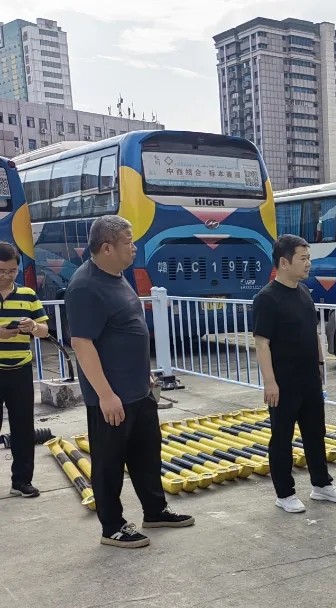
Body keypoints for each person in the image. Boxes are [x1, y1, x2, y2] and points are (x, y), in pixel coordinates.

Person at [65, 216, 194, 548]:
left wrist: (144, 372)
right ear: (107, 248)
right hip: (112, 397)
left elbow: (127, 326)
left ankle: (155, 510)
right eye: (128, 241)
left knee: (146, 454)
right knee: (109, 464)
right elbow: (82, 344)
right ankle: (113, 526)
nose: (134, 247)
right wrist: (106, 395)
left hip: (138, 389)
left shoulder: (118, 276)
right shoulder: (85, 287)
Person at [253, 234, 336, 513]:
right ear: (284, 262)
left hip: (309, 378)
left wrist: (320, 365)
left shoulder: (304, 292)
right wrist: (270, 382)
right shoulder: (267, 299)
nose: (308, 264)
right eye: (303, 258)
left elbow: (312, 332)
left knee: (315, 432)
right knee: (282, 437)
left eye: (309, 258)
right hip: (283, 382)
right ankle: (284, 493)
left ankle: (321, 484)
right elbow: (261, 343)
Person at [0, 243, 49, 498]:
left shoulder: (28, 295)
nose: (6, 276)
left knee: (23, 428)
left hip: (20, 370)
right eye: (1, 271)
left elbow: (44, 331)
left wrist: (33, 326)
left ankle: (21, 481)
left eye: (12, 270)